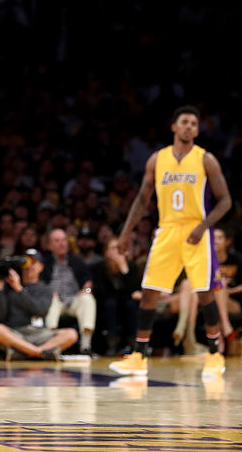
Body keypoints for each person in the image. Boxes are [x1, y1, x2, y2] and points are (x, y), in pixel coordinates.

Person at [109, 106, 231, 379]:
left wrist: (203, 227)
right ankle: (139, 357)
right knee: (150, 291)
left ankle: (214, 354)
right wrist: (126, 233)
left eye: (194, 123)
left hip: (196, 231)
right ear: (174, 127)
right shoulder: (157, 159)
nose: (189, 126)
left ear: (197, 131)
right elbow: (142, 199)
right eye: (184, 122)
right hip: (167, 230)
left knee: (205, 292)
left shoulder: (205, 159)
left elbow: (226, 201)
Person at [0, 249, 78, 360]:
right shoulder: (9, 288)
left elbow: (39, 311)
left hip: (40, 334)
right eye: (26, 263)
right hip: (17, 333)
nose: (29, 267)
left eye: (33, 263)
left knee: (71, 334)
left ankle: (24, 352)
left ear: (41, 267)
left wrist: (19, 290)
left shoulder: (46, 289)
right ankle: (41, 353)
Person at [43, 228, 97, 355]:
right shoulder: (45, 263)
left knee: (87, 298)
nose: (62, 244)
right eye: (57, 241)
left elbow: (89, 281)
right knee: (50, 300)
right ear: (49, 245)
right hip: (54, 299)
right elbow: (39, 283)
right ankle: (52, 344)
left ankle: (85, 345)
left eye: (64, 240)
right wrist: (48, 292)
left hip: (73, 300)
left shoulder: (76, 261)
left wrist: (86, 290)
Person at [92, 236, 142, 355]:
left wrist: (124, 269)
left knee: (130, 304)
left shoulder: (131, 266)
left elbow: (134, 290)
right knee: (111, 303)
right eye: (113, 248)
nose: (116, 252)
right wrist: (125, 294)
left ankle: (134, 342)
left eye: (119, 249)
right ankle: (112, 342)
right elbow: (103, 292)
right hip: (107, 302)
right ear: (106, 252)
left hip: (126, 302)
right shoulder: (99, 268)